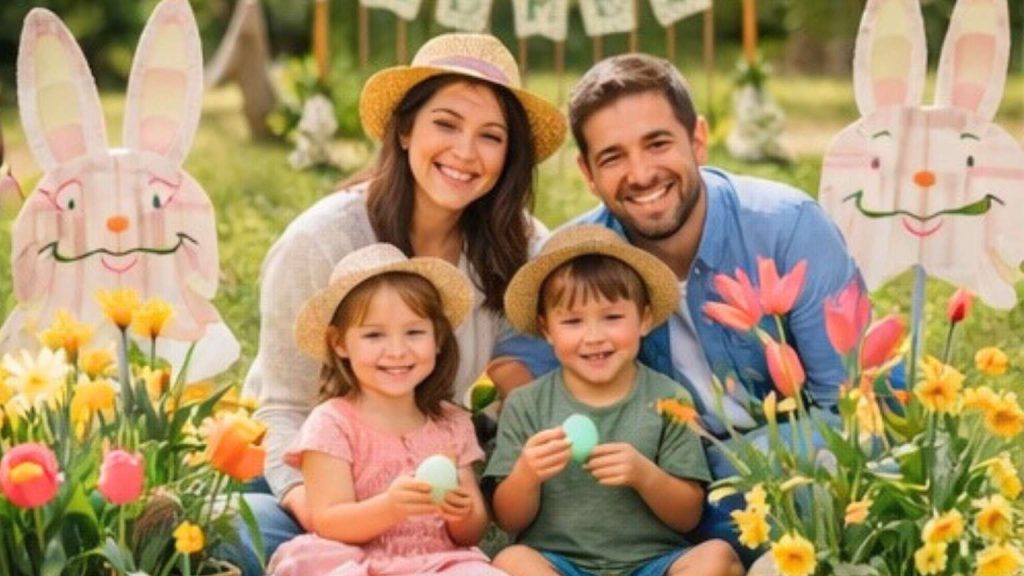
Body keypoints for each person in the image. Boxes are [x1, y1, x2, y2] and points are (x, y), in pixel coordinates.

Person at [238, 33, 565, 574]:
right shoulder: (321, 240)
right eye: (446, 123)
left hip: (427, 458)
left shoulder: (516, 246)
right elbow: (282, 409)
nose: (465, 152)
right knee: (245, 526)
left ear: (510, 156)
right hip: (315, 469)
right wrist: (329, 515)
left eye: (491, 136)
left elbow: (562, 339)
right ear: (406, 128)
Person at [562, 53, 863, 563]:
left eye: (658, 144)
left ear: (697, 139)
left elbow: (852, 408)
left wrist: (706, 476)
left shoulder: (787, 228)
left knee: (843, 468)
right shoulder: (580, 257)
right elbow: (532, 387)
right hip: (659, 486)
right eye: (612, 157)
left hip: (784, 464)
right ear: (587, 173)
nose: (641, 173)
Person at [485, 225, 742, 576]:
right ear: (546, 329)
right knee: (510, 562)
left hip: (653, 564)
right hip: (560, 564)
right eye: (573, 321)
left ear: (645, 318)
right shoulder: (527, 404)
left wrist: (644, 475)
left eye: (612, 317)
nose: (594, 337)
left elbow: (688, 516)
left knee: (717, 557)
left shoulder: (669, 399)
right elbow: (508, 518)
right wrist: (526, 474)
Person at [266, 243, 506, 575]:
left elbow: (471, 532)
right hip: (356, 558)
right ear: (339, 343)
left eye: (414, 332)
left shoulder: (452, 422)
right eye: (374, 335)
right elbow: (328, 520)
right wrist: (390, 507)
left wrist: (462, 512)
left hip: (438, 562)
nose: (396, 350)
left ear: (437, 338)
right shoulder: (332, 423)